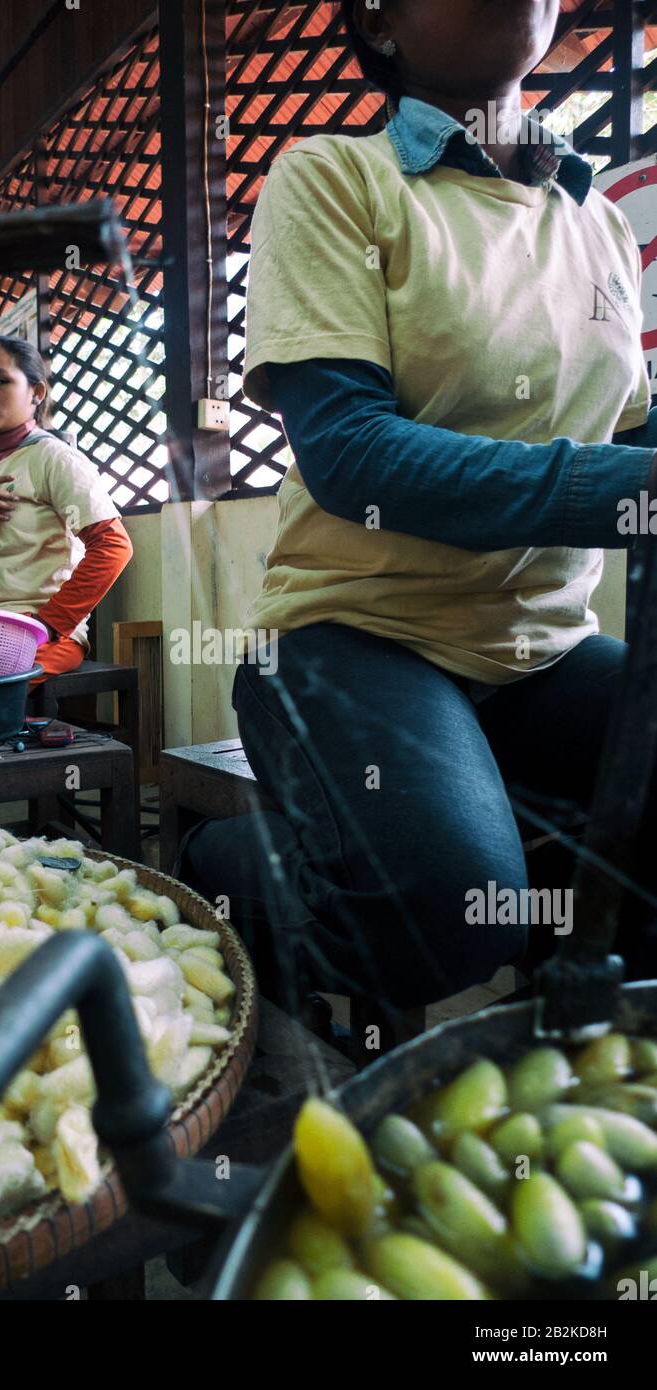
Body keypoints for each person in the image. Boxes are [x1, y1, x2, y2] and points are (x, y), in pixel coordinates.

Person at [174, 0, 657, 1035]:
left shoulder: (600, 220)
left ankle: (578, 1041)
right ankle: (219, 866)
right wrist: (609, 490)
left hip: (540, 651)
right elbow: (352, 456)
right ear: (379, 25)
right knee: (441, 913)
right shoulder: (337, 180)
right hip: (358, 637)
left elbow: (637, 434)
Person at [0, 335, 132, 686]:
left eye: (1, 380)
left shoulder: (55, 460)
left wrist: (48, 623)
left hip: (41, 636)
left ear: (37, 393)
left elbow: (112, 547)